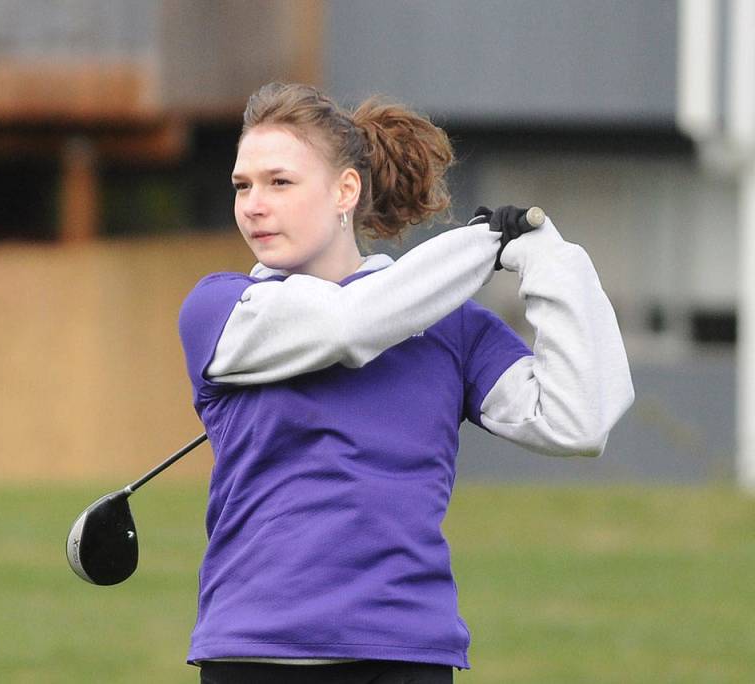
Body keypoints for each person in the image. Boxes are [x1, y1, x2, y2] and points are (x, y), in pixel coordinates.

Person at [177, 82, 634, 684]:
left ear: (346, 190)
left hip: (405, 652)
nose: (253, 205)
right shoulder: (222, 307)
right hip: (258, 654)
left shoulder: (453, 327)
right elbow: (350, 323)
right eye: (243, 185)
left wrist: (554, 262)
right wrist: (485, 244)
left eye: (279, 182)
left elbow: (579, 420)